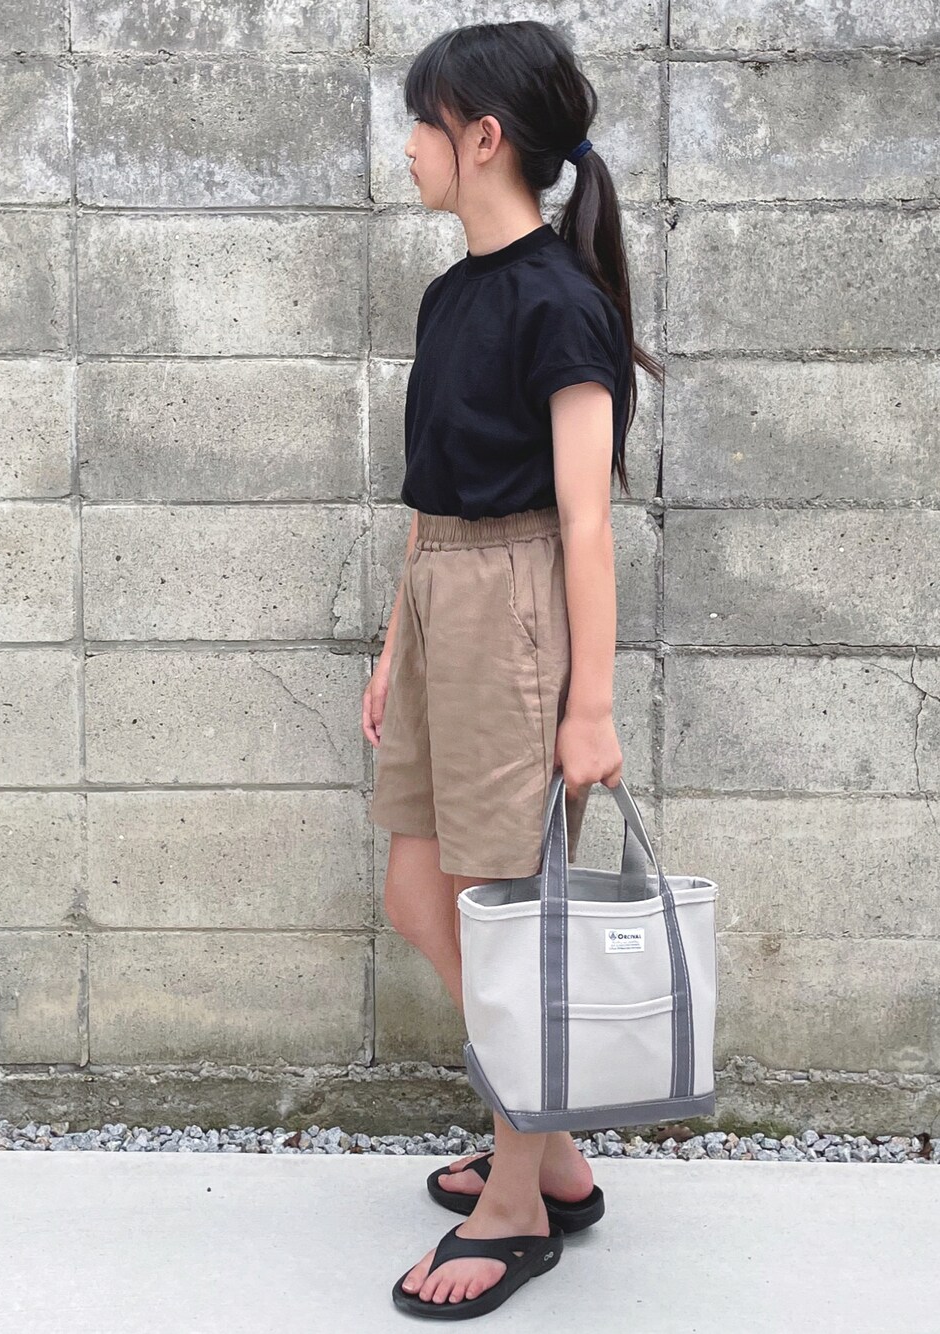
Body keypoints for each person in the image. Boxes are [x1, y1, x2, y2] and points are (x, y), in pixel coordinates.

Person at [362, 19, 663, 1320]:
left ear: (482, 138)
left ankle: (518, 1206)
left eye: (422, 124)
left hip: (520, 610)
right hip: (442, 601)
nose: (408, 148)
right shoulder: (451, 296)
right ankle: (556, 1145)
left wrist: (590, 705)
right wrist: (396, 645)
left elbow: (587, 521)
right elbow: (430, 494)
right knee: (419, 893)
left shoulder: (561, 302)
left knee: (507, 923)